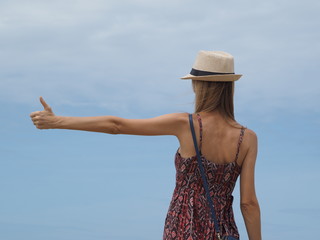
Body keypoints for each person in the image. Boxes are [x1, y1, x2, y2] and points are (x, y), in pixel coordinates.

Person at [30, 51, 262, 240]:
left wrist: (57, 122)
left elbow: (116, 125)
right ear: (229, 87)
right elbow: (248, 203)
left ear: (199, 86)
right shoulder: (248, 138)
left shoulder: (186, 125)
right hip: (225, 232)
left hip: (183, 230)